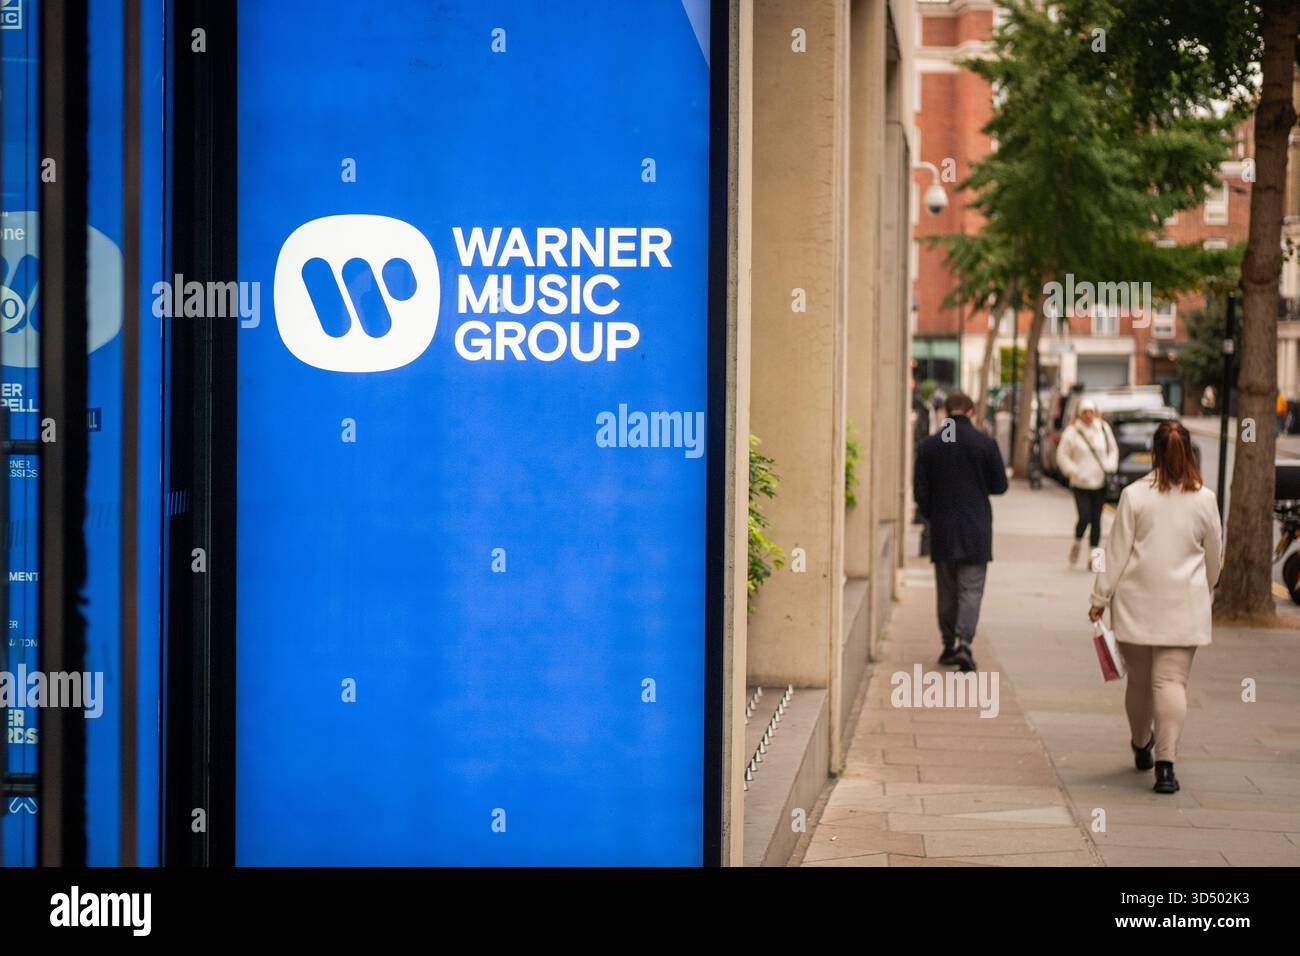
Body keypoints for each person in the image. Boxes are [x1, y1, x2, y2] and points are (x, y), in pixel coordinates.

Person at [1087, 421, 1220, 795]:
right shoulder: (1205, 499)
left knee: (1141, 683)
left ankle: (1140, 743)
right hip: (1184, 608)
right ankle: (1166, 766)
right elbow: (1214, 558)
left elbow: (1114, 555)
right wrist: (1206, 590)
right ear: (1189, 452)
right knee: (1171, 683)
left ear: (1155, 453)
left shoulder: (1134, 496)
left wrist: (1099, 599)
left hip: (1135, 606)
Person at [913, 391, 1008, 672]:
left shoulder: (930, 446)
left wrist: (932, 515)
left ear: (944, 412)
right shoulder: (985, 444)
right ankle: (965, 643)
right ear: (971, 412)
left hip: (943, 527)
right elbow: (1000, 486)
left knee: (947, 590)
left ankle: (948, 644)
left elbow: (921, 492)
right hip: (976, 528)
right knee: (971, 589)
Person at [1057, 398, 1118, 567]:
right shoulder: (1072, 432)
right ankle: (1077, 544)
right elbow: (1062, 455)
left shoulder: (1103, 429)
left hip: (1099, 481)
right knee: (1084, 517)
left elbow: (1113, 449)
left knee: (1097, 520)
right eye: (1085, 412)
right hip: (1080, 483)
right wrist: (1074, 471)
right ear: (1079, 414)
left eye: (1091, 412)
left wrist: (1110, 465)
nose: (1088, 415)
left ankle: (1096, 560)